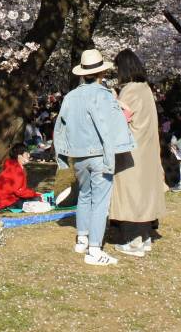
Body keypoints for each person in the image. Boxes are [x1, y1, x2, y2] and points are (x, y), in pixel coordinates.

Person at [54, 48, 135, 266]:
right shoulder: (105, 95)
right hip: (100, 154)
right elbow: (118, 123)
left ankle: (82, 238)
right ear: (102, 73)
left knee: (84, 194)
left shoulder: (70, 97)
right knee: (100, 201)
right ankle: (95, 249)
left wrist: (62, 154)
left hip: (78, 156)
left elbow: (59, 126)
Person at [108, 49, 165, 257]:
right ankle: (145, 236)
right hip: (148, 149)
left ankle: (134, 242)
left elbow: (121, 120)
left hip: (133, 152)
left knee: (131, 194)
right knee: (145, 194)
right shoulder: (146, 89)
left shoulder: (130, 90)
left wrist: (113, 99)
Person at [0, 144, 41, 211]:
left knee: (36, 199)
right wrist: (34, 194)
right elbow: (19, 191)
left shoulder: (15, 166)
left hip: (11, 199)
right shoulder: (15, 168)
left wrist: (33, 194)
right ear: (19, 156)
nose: (29, 155)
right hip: (7, 202)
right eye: (26, 153)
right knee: (37, 200)